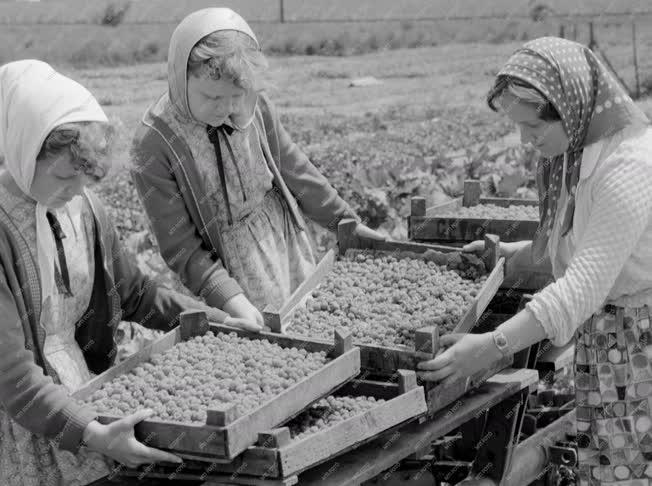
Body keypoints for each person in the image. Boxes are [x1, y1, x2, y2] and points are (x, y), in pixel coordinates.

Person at [0, 60, 258, 486]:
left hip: (90, 397)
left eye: (86, 179)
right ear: (24, 149)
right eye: (65, 176)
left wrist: (208, 320)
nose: (75, 191)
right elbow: (12, 375)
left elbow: (133, 292)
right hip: (30, 419)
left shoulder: (83, 209)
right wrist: (93, 434)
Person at [418, 37, 652, 485]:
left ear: (570, 109)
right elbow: (571, 246)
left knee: (626, 471)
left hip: (637, 337)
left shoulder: (628, 167)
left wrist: (491, 346)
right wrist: (506, 258)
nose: (525, 141)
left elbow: (581, 285)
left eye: (533, 128)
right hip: (611, 335)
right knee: (611, 465)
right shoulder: (581, 153)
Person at [130, 8, 383, 326]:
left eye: (235, 96)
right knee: (260, 349)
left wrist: (344, 221)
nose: (225, 108)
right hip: (222, 273)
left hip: (281, 242)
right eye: (212, 96)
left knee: (307, 326)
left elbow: (294, 169)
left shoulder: (253, 104)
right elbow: (180, 245)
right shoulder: (155, 144)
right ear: (180, 78)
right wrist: (229, 299)